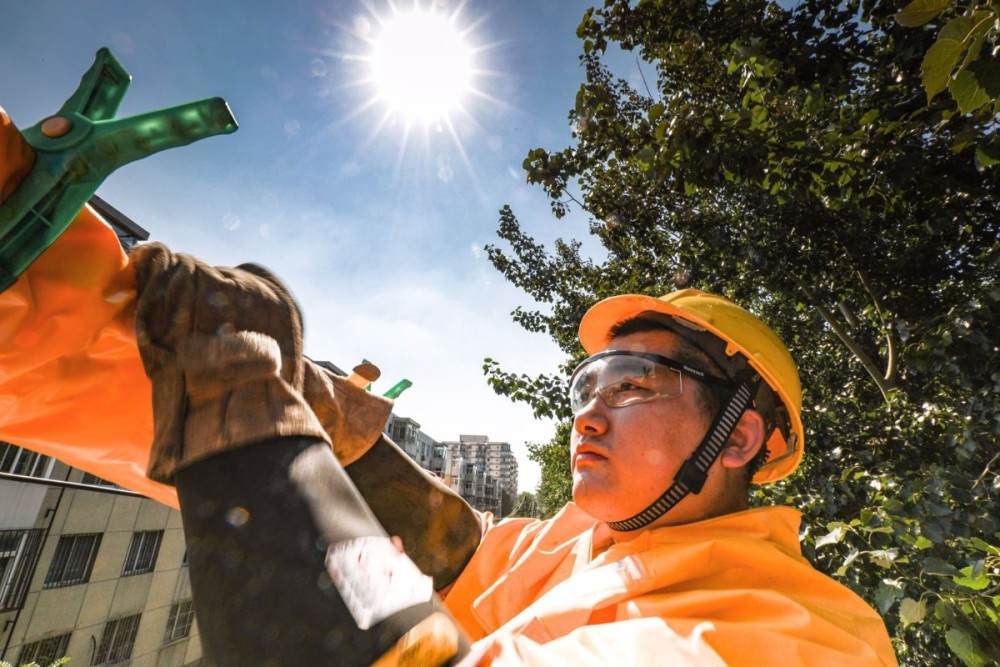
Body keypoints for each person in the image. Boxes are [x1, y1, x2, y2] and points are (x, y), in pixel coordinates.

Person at [0, 91, 898, 664]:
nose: (587, 416)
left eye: (632, 385)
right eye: (585, 386)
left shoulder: (795, 634)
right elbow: (435, 554)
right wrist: (46, 295)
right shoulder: (572, 548)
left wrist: (254, 437)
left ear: (739, 433)